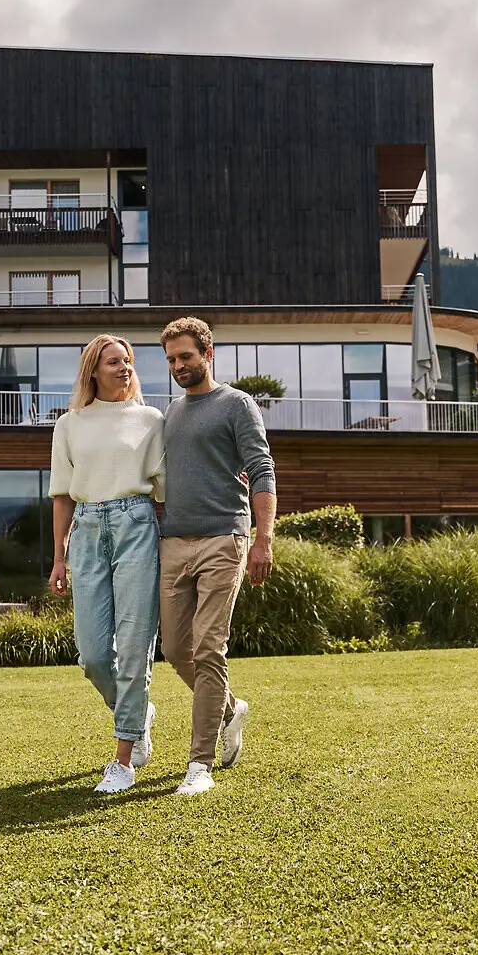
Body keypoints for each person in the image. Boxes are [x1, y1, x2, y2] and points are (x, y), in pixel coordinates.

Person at [157, 316, 276, 798]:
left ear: (208, 353)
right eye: (170, 360)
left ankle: (199, 763)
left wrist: (262, 539)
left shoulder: (236, 405)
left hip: (224, 539)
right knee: (174, 651)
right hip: (173, 542)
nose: (178, 366)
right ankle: (230, 708)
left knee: (208, 648)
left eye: (185, 356)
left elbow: (262, 468)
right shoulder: (170, 414)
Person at [48, 335, 166, 795]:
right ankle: (138, 713)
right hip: (87, 529)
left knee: (135, 646)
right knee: (94, 654)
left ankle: (123, 762)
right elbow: (62, 493)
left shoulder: (150, 419)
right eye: (114, 361)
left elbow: (167, 486)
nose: (124, 367)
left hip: (136, 523)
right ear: (92, 370)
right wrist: (58, 557)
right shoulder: (70, 423)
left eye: (128, 361)